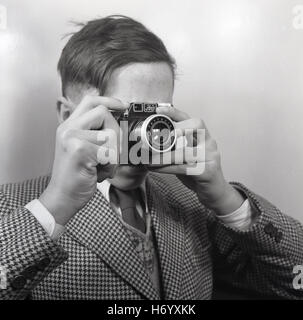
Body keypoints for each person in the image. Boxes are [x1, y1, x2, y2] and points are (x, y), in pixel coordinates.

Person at [0, 15, 302, 300]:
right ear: (68, 116)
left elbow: (295, 284)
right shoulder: (12, 207)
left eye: (154, 117)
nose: (145, 136)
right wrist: (55, 206)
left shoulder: (188, 202)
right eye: (126, 116)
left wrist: (226, 199)